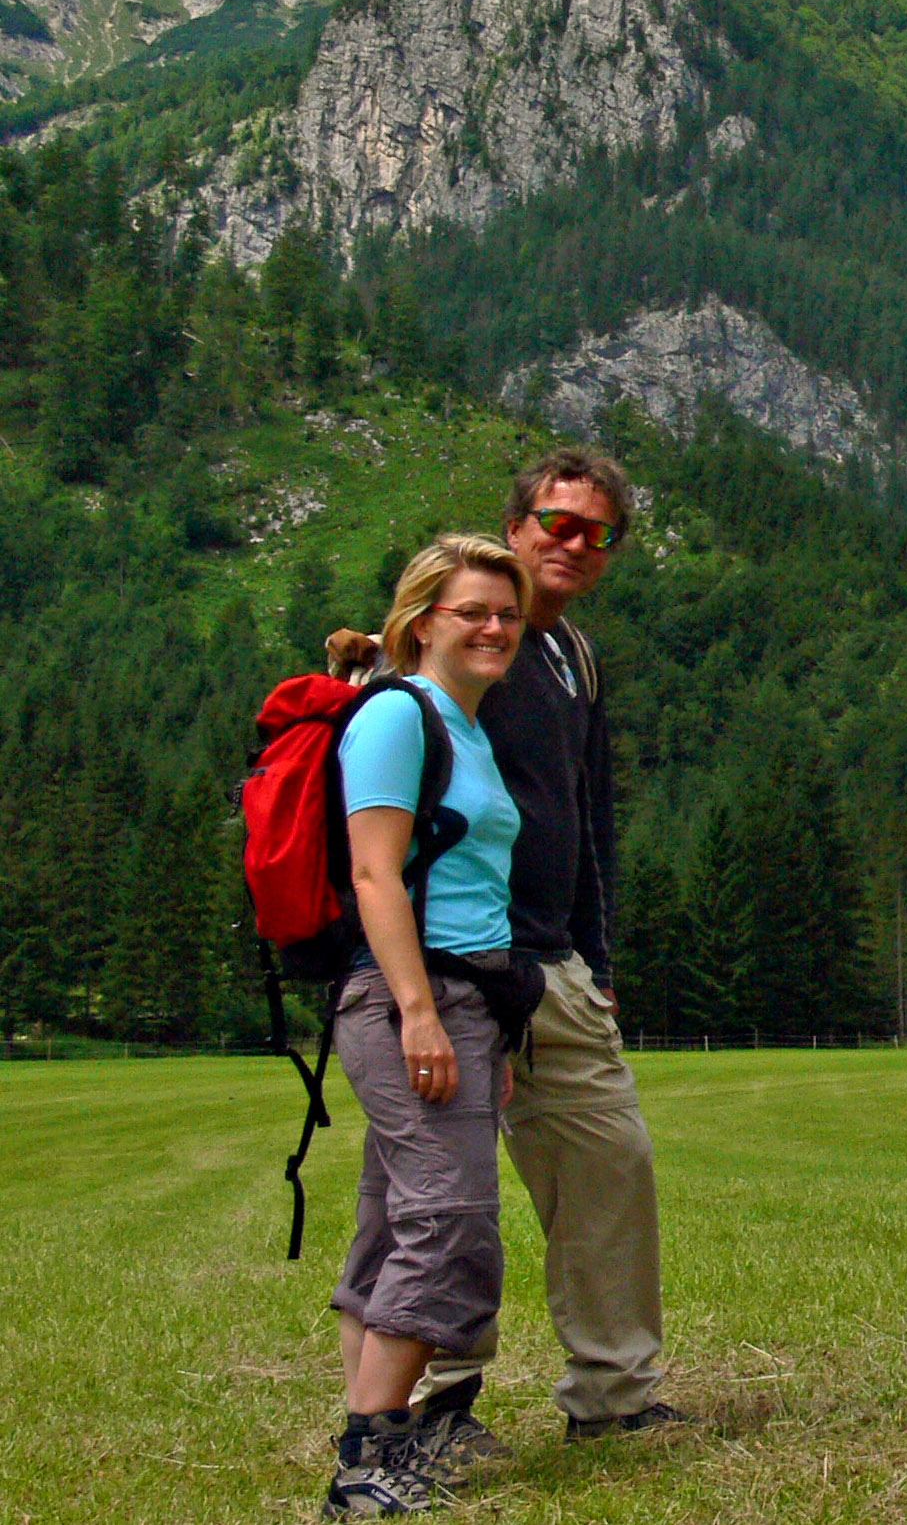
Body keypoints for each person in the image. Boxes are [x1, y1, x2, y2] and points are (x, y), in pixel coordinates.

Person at [404, 449, 685, 1465]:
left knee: (613, 1165)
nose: (572, 542)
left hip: (558, 967)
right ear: (516, 522)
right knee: (450, 1193)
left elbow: (589, 817)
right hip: (464, 963)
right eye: (555, 522)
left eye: (594, 531)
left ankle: (612, 1393)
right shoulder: (465, 630)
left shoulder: (572, 655)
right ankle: (429, 1408)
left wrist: (597, 960)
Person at [322, 536, 533, 1517]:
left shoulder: (466, 724)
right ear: (420, 622)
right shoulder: (398, 717)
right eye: (472, 610)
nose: (494, 627)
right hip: (415, 995)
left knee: (399, 1213)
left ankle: (381, 1431)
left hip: (464, 998)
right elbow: (374, 872)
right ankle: (368, 1458)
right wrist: (416, 1009)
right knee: (447, 1217)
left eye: (507, 612)